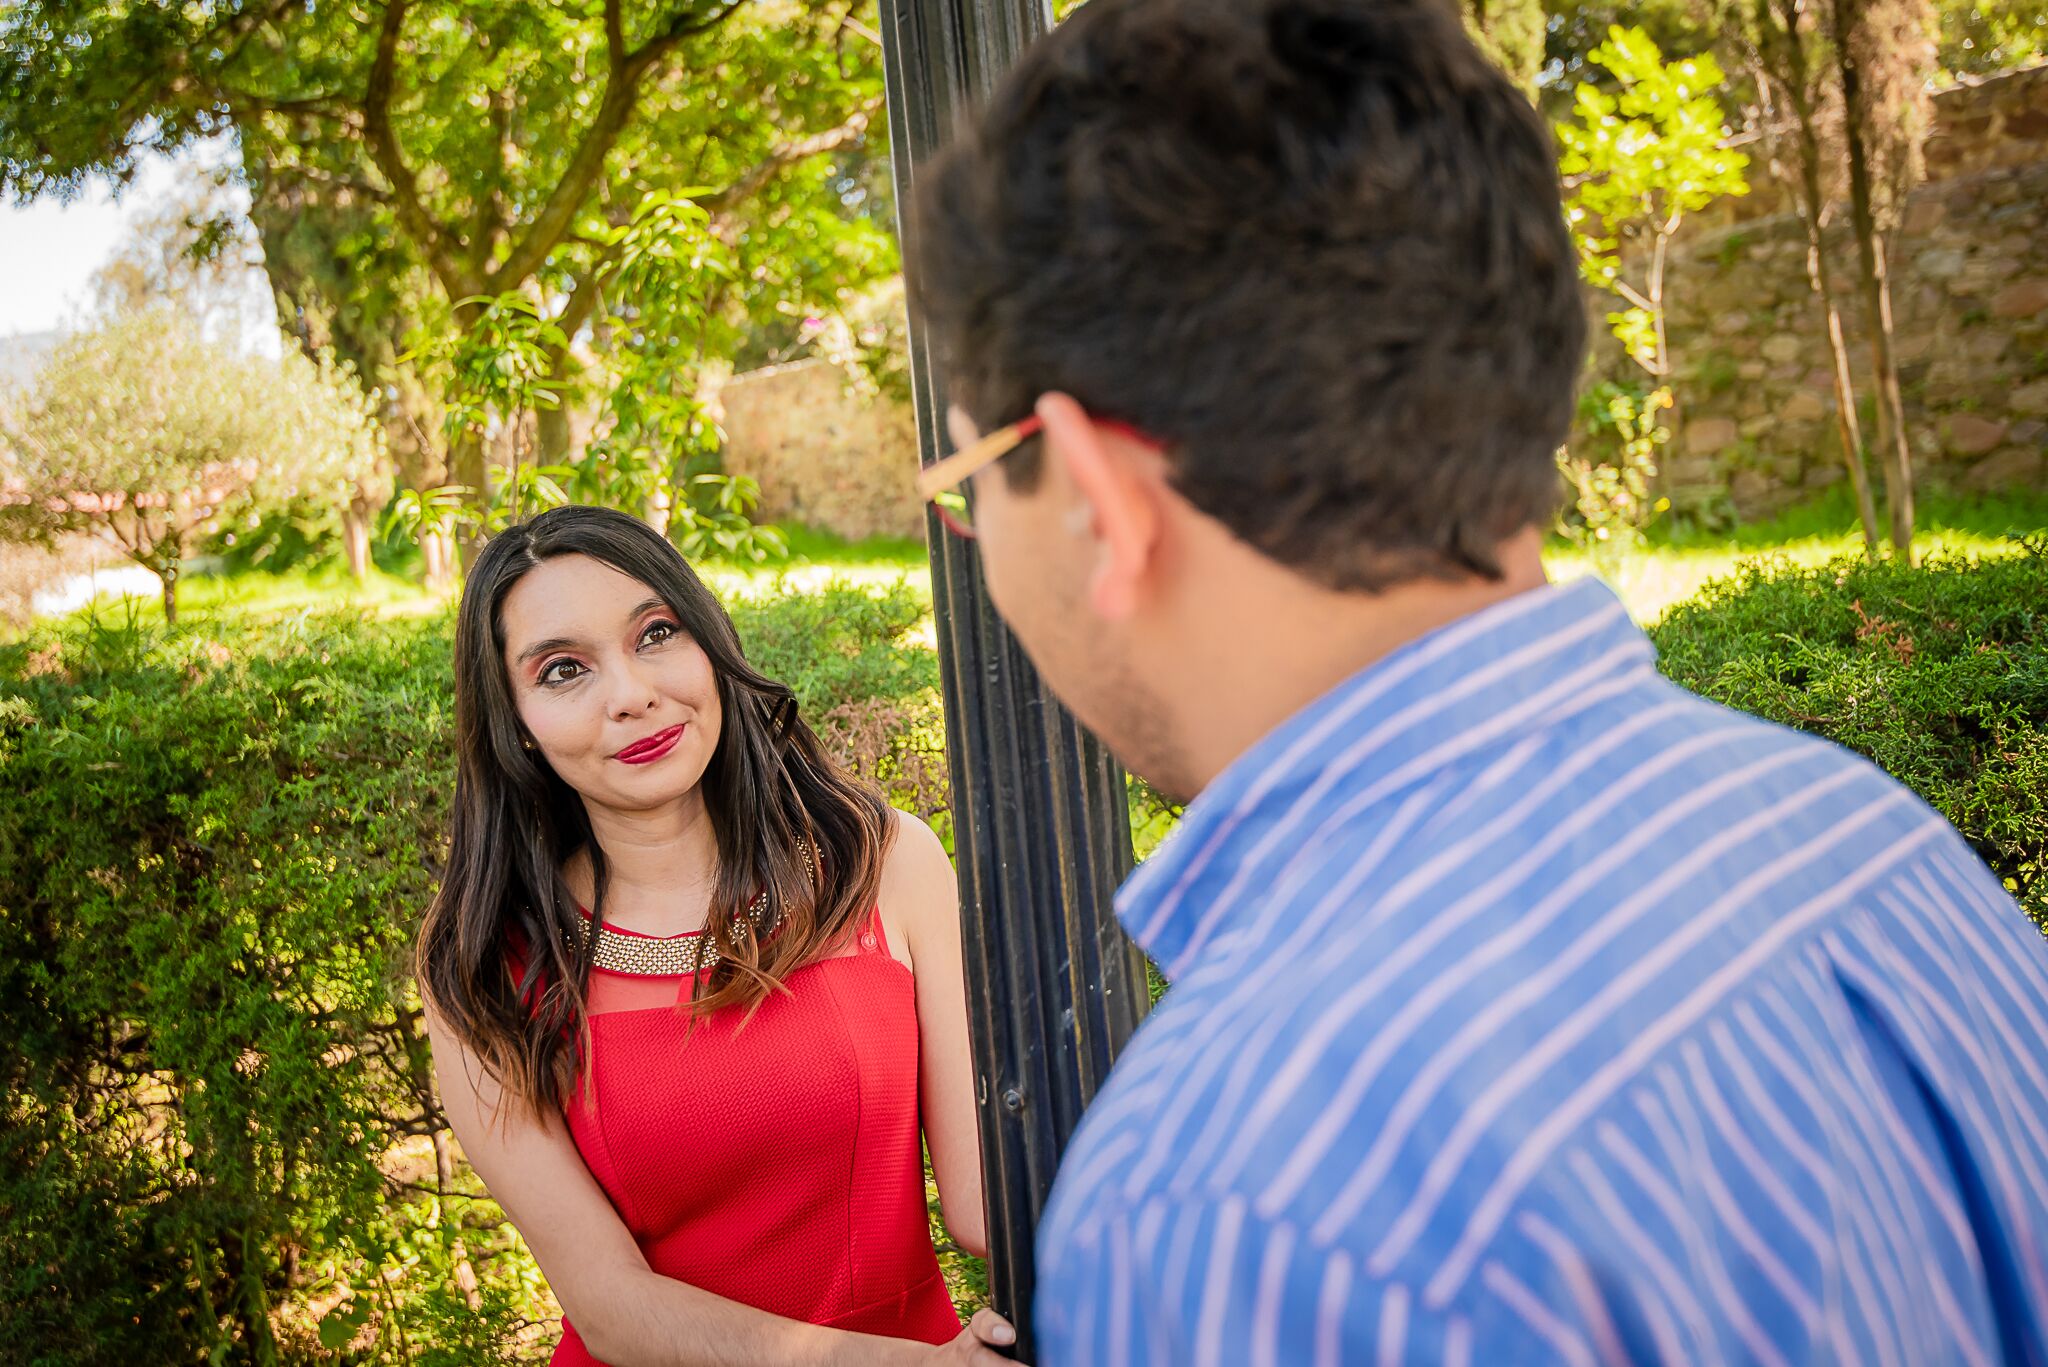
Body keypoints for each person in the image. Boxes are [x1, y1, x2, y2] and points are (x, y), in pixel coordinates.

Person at [906, 0, 2048, 1361]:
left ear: (1099, 494)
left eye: (975, 482)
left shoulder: (1234, 1194)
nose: (980, 543)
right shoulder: (1873, 843)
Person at [416, 506, 1014, 1366]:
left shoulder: (883, 863)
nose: (630, 693)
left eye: (656, 631)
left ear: (708, 640)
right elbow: (614, 1309)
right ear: (516, 723)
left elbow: (985, 1203)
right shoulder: (483, 972)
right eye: (563, 670)